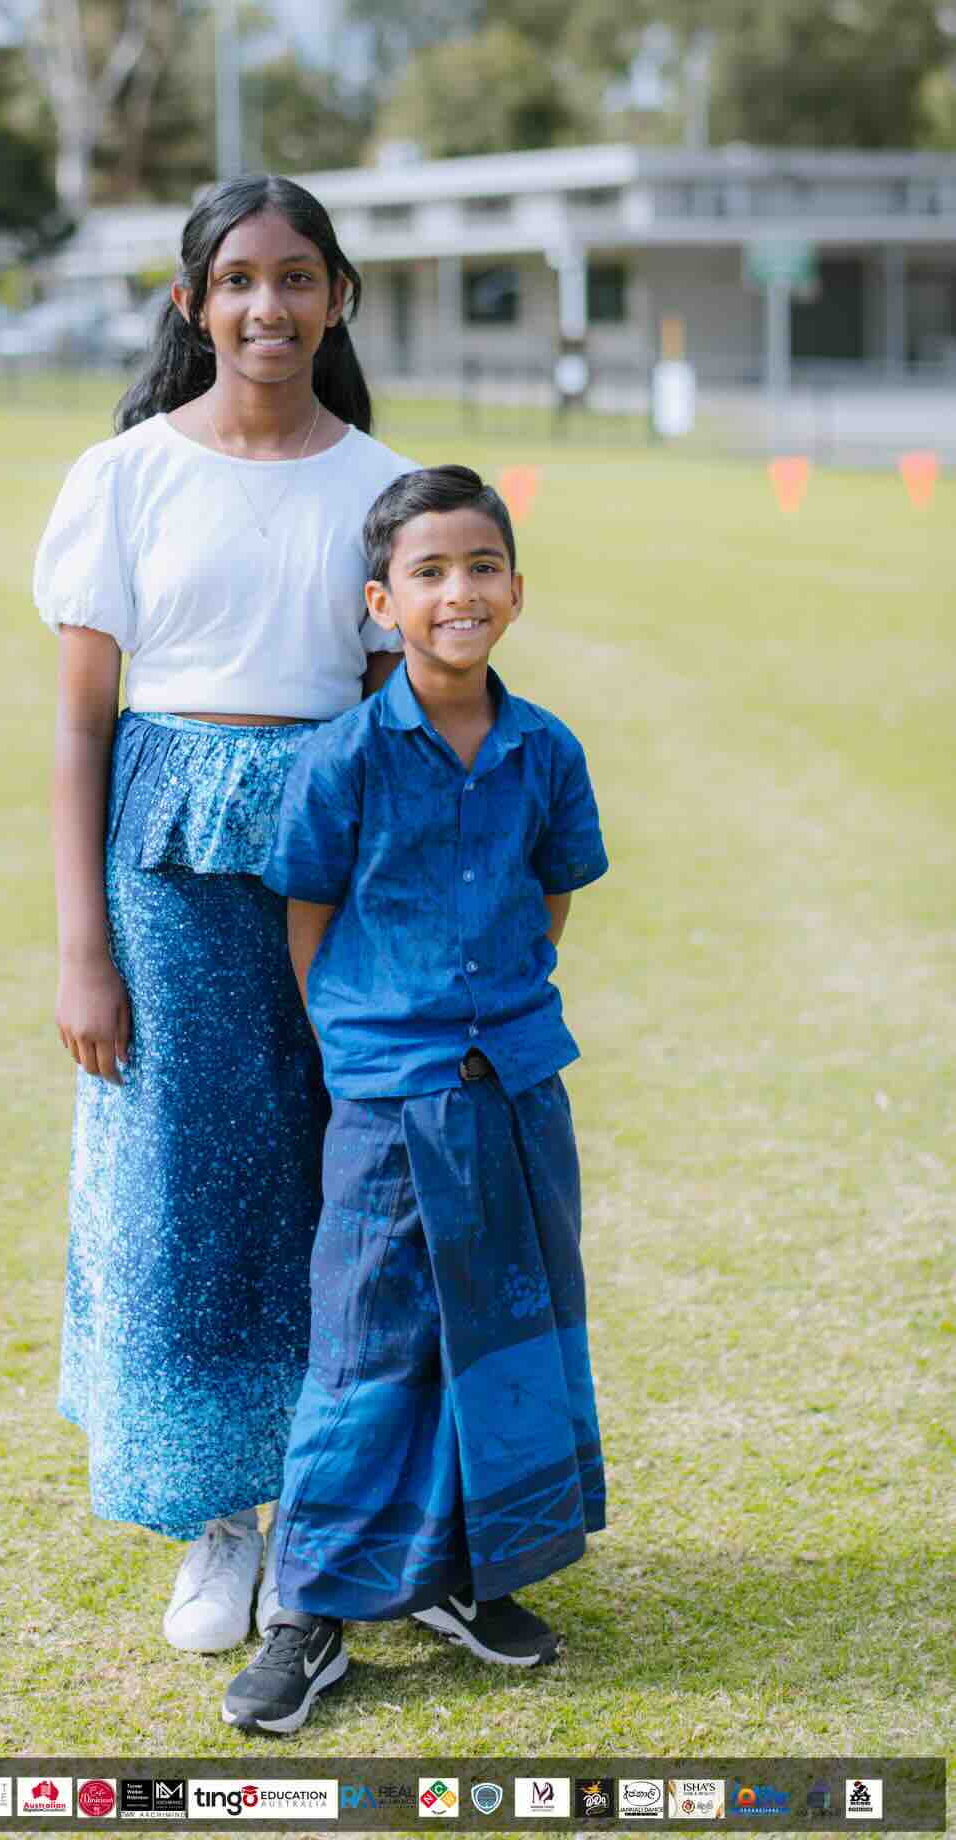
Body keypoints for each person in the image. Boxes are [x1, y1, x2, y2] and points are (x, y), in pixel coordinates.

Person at [32, 174, 418, 1654]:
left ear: (337, 298)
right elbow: (81, 731)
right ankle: (218, 1524)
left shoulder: (383, 488)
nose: (271, 306)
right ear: (194, 302)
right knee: (190, 1191)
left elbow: (400, 723)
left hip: (332, 863)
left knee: (341, 1177)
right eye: (240, 279)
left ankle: (339, 1511)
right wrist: (84, 952)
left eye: (299, 277)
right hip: (168, 871)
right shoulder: (123, 476)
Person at [221, 463, 609, 1735]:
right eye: (430, 573)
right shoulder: (342, 759)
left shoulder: (547, 750)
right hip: (390, 1094)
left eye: (482, 566)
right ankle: (310, 1616)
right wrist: (371, 1047)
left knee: (500, 1330)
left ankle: (463, 1571)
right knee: (368, 1346)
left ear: (516, 588)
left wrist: (492, 1012)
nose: (460, 591)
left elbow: (548, 901)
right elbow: (309, 920)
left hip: (515, 1081)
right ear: (383, 601)